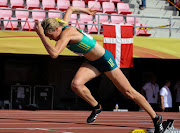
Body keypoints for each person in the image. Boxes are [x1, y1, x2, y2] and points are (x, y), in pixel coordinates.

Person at [34, 6, 164, 133]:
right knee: (76, 85)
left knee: (129, 92)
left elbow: (54, 54)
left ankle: (156, 118)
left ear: (57, 29)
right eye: (48, 37)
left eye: (50, 36)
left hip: (105, 60)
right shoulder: (62, 25)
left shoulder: (67, 33)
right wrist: (86, 10)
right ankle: (97, 107)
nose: (51, 39)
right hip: (92, 62)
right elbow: (70, 9)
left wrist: (41, 36)